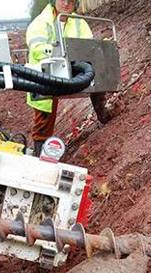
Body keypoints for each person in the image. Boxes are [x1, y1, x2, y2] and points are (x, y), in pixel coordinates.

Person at [26, 0, 110, 156]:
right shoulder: (40, 23)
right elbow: (37, 49)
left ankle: (104, 114)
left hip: (74, 69)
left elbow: (88, 46)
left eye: (70, 1)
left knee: (96, 73)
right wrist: (59, 52)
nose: (66, 4)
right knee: (43, 118)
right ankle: (40, 153)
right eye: (62, 0)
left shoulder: (79, 23)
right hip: (46, 73)